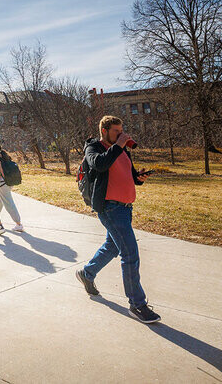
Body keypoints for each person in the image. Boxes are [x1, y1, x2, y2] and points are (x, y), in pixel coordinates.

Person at [75, 115, 159, 324]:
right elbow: (99, 165)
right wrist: (119, 145)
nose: (121, 134)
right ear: (104, 131)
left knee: (112, 247)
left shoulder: (123, 151)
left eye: (122, 131)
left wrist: (138, 178)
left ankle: (87, 273)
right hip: (110, 208)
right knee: (130, 253)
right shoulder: (94, 148)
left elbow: (128, 176)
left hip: (126, 208)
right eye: (116, 131)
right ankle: (137, 305)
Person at [0, 142, 24, 232]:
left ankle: (18, 224)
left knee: (8, 203)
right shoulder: (4, 155)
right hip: (9, 182)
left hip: (2, 184)